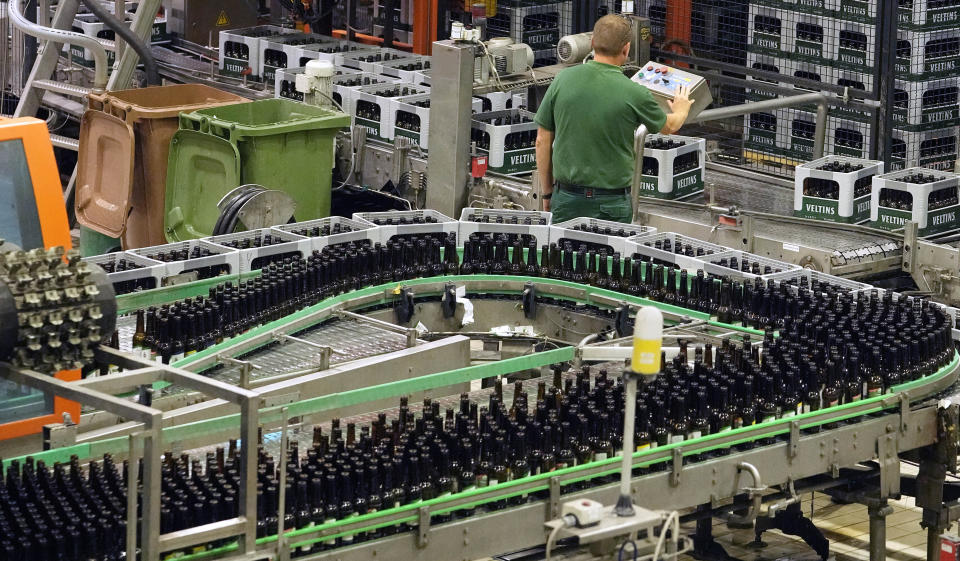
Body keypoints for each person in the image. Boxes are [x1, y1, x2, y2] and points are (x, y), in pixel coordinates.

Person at [534, 14, 694, 224]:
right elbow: (669, 126)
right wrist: (681, 109)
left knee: (565, 255)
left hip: (566, 198)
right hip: (612, 204)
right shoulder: (634, 92)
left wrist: (547, 193)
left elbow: (542, 141)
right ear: (626, 49)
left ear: (592, 43)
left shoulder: (562, 80)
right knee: (610, 257)